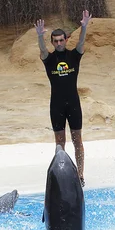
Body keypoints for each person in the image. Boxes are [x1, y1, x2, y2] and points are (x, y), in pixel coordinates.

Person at [36, 10, 92, 187]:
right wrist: (39, 36)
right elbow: (42, 49)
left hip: (73, 103)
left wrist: (84, 27)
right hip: (57, 105)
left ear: (66, 40)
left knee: (78, 141)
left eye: (61, 40)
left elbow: (82, 42)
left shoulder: (74, 56)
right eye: (55, 41)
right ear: (52, 42)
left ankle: (80, 175)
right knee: (60, 143)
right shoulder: (49, 59)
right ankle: (60, 176)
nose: (59, 43)